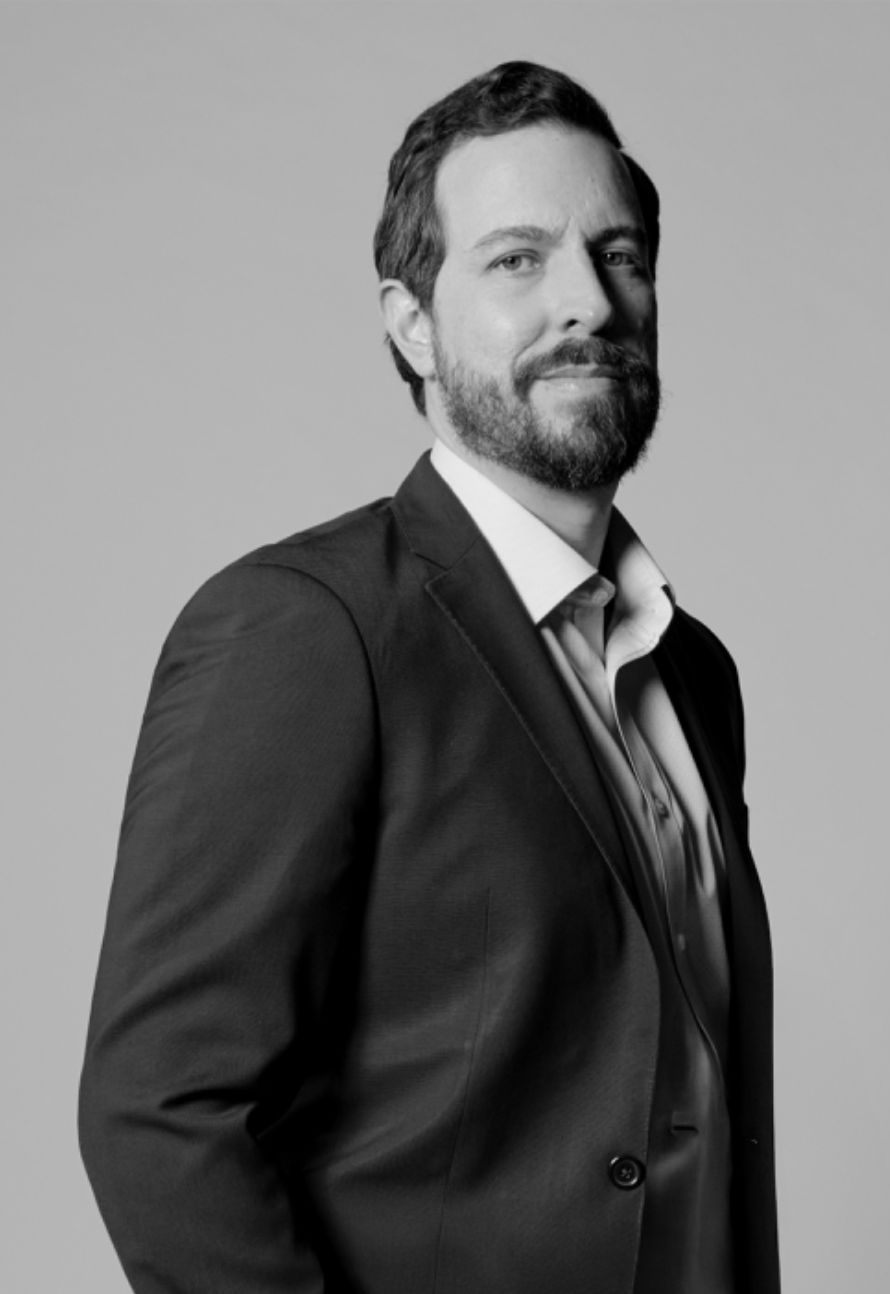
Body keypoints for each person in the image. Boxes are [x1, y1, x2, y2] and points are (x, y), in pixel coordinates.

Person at [79, 60, 779, 1294]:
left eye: (618, 256)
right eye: (516, 259)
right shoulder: (307, 628)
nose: (587, 301)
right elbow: (158, 1113)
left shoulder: (691, 672)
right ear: (410, 323)